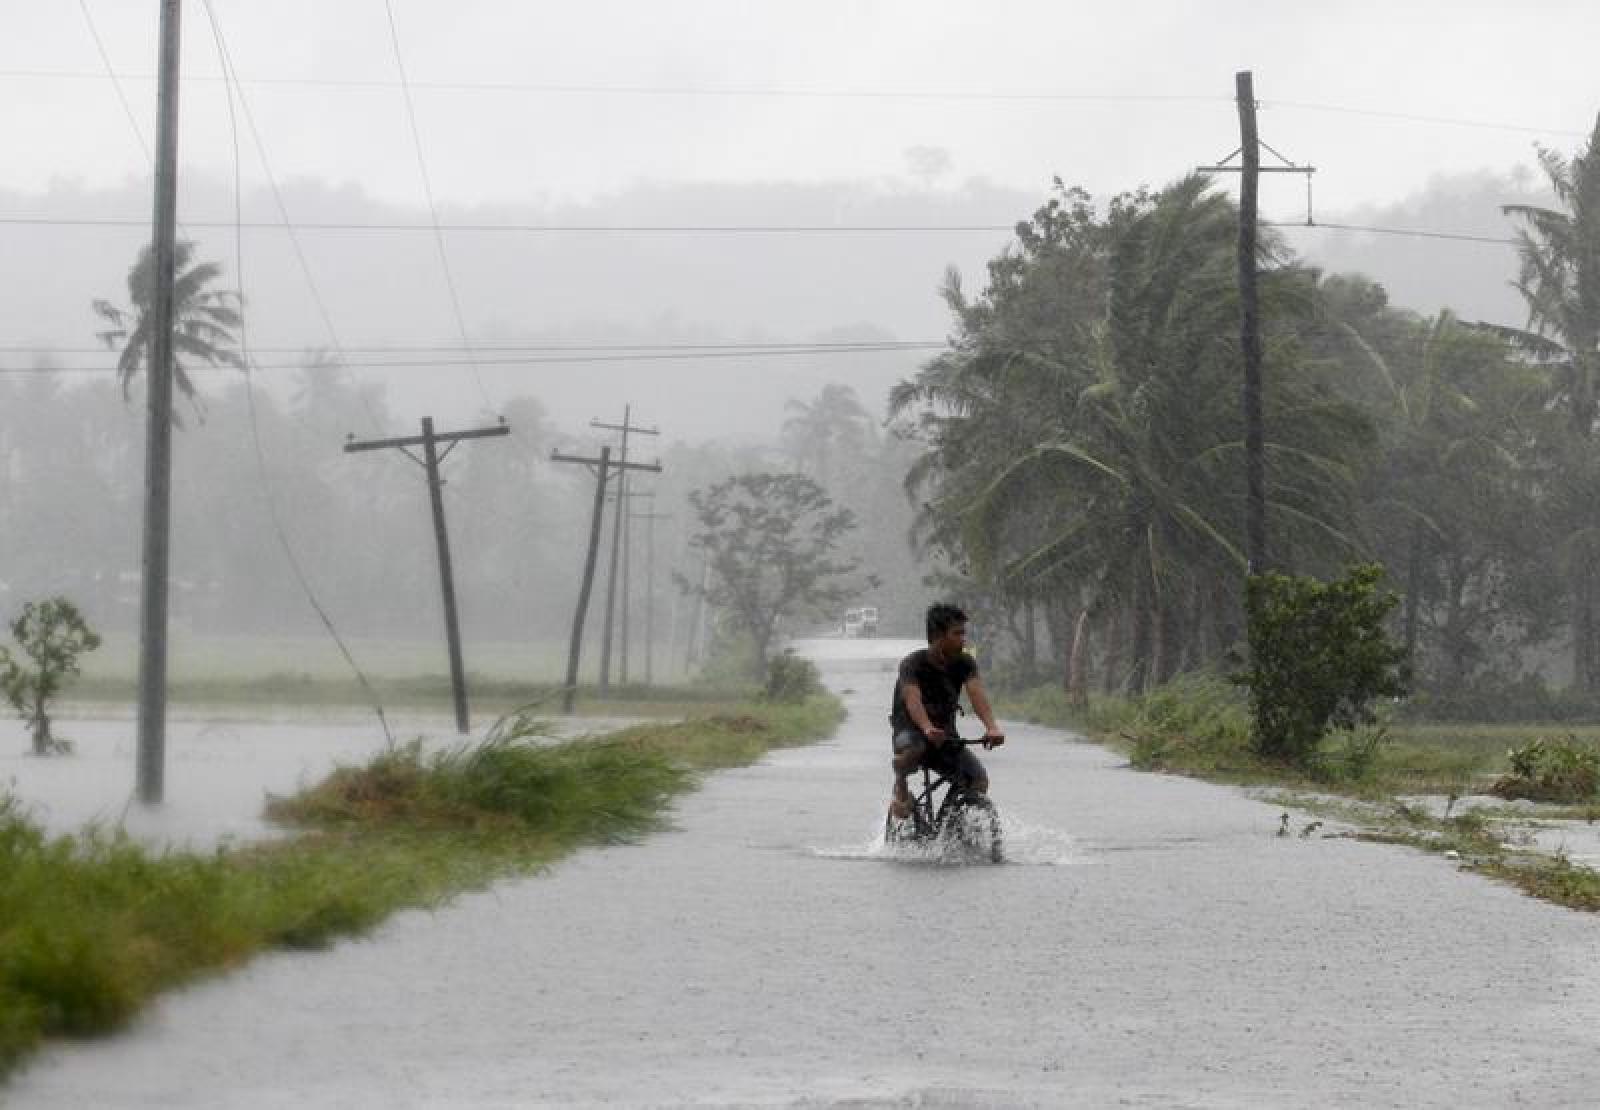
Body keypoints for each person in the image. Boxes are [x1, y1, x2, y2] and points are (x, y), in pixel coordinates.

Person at [888, 603, 1005, 819]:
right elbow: (913, 700)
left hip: (944, 735)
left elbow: (977, 695)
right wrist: (926, 727)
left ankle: (951, 825)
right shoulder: (912, 664)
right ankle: (900, 783)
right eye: (957, 633)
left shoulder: (965, 663)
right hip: (909, 731)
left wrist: (992, 727)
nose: (963, 639)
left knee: (978, 780)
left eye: (964, 633)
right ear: (937, 636)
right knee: (914, 750)